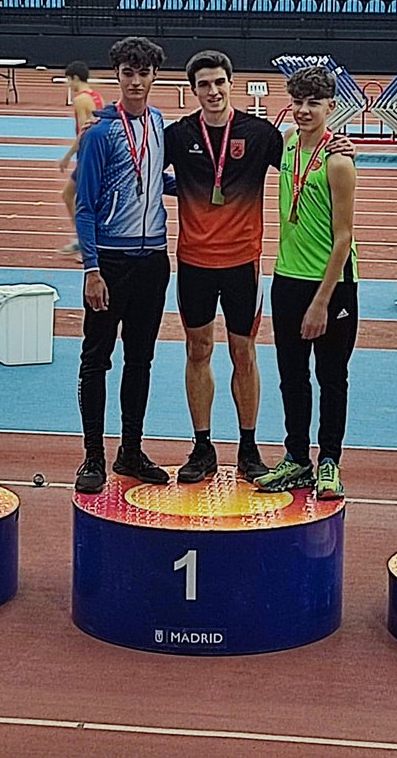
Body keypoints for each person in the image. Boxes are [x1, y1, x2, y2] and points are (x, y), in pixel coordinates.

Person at [162, 50, 284, 484]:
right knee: (198, 351)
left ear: (231, 83)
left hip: (242, 264)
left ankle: (249, 449)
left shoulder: (261, 134)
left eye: (219, 83)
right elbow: (141, 171)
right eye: (203, 85)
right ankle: (202, 447)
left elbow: (302, 164)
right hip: (194, 262)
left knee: (242, 353)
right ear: (192, 91)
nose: (212, 92)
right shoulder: (177, 136)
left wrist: (334, 144)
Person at [73, 36, 173, 495]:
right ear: (117, 76)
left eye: (143, 73)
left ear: (154, 77)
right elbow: (85, 206)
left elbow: (155, 179)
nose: (135, 82)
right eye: (127, 73)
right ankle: (93, 455)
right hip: (109, 263)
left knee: (141, 358)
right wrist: (92, 269)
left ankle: (130, 450)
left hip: (153, 259)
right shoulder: (99, 132)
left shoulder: (157, 122)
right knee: (96, 359)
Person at [254, 66, 358, 501]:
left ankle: (329, 462)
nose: (303, 110)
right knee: (291, 377)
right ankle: (297, 458)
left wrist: (322, 302)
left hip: (331, 286)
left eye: (313, 103)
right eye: (297, 102)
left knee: (331, 376)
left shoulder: (339, 162)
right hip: (287, 280)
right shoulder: (289, 145)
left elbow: (344, 237)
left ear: (331, 107)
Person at [57, 61, 106, 257]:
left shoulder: (80, 100)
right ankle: (82, 240)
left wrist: (67, 157)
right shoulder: (97, 97)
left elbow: (85, 132)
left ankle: (88, 245)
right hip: (95, 153)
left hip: (87, 155)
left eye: (69, 80)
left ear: (75, 78)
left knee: (78, 199)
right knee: (72, 196)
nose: (68, 85)